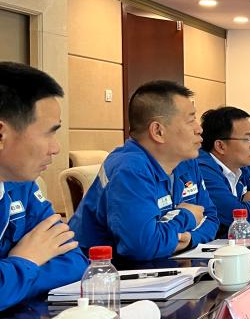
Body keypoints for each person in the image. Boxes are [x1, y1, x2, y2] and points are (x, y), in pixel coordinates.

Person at [70, 81, 218, 260]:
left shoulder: (186, 161)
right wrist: (186, 216)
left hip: (166, 264)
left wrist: (189, 239)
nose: (199, 129)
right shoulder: (130, 168)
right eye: (190, 120)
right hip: (105, 271)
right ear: (158, 131)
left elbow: (211, 218)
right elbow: (143, 246)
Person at [0, 63, 87, 311]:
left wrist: (11, 278)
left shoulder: (21, 184)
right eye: (49, 133)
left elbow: (74, 261)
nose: (56, 148)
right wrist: (26, 261)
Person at [198, 106, 250, 229]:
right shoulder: (204, 170)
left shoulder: (240, 167)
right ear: (220, 146)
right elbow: (234, 217)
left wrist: (248, 208)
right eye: (247, 139)